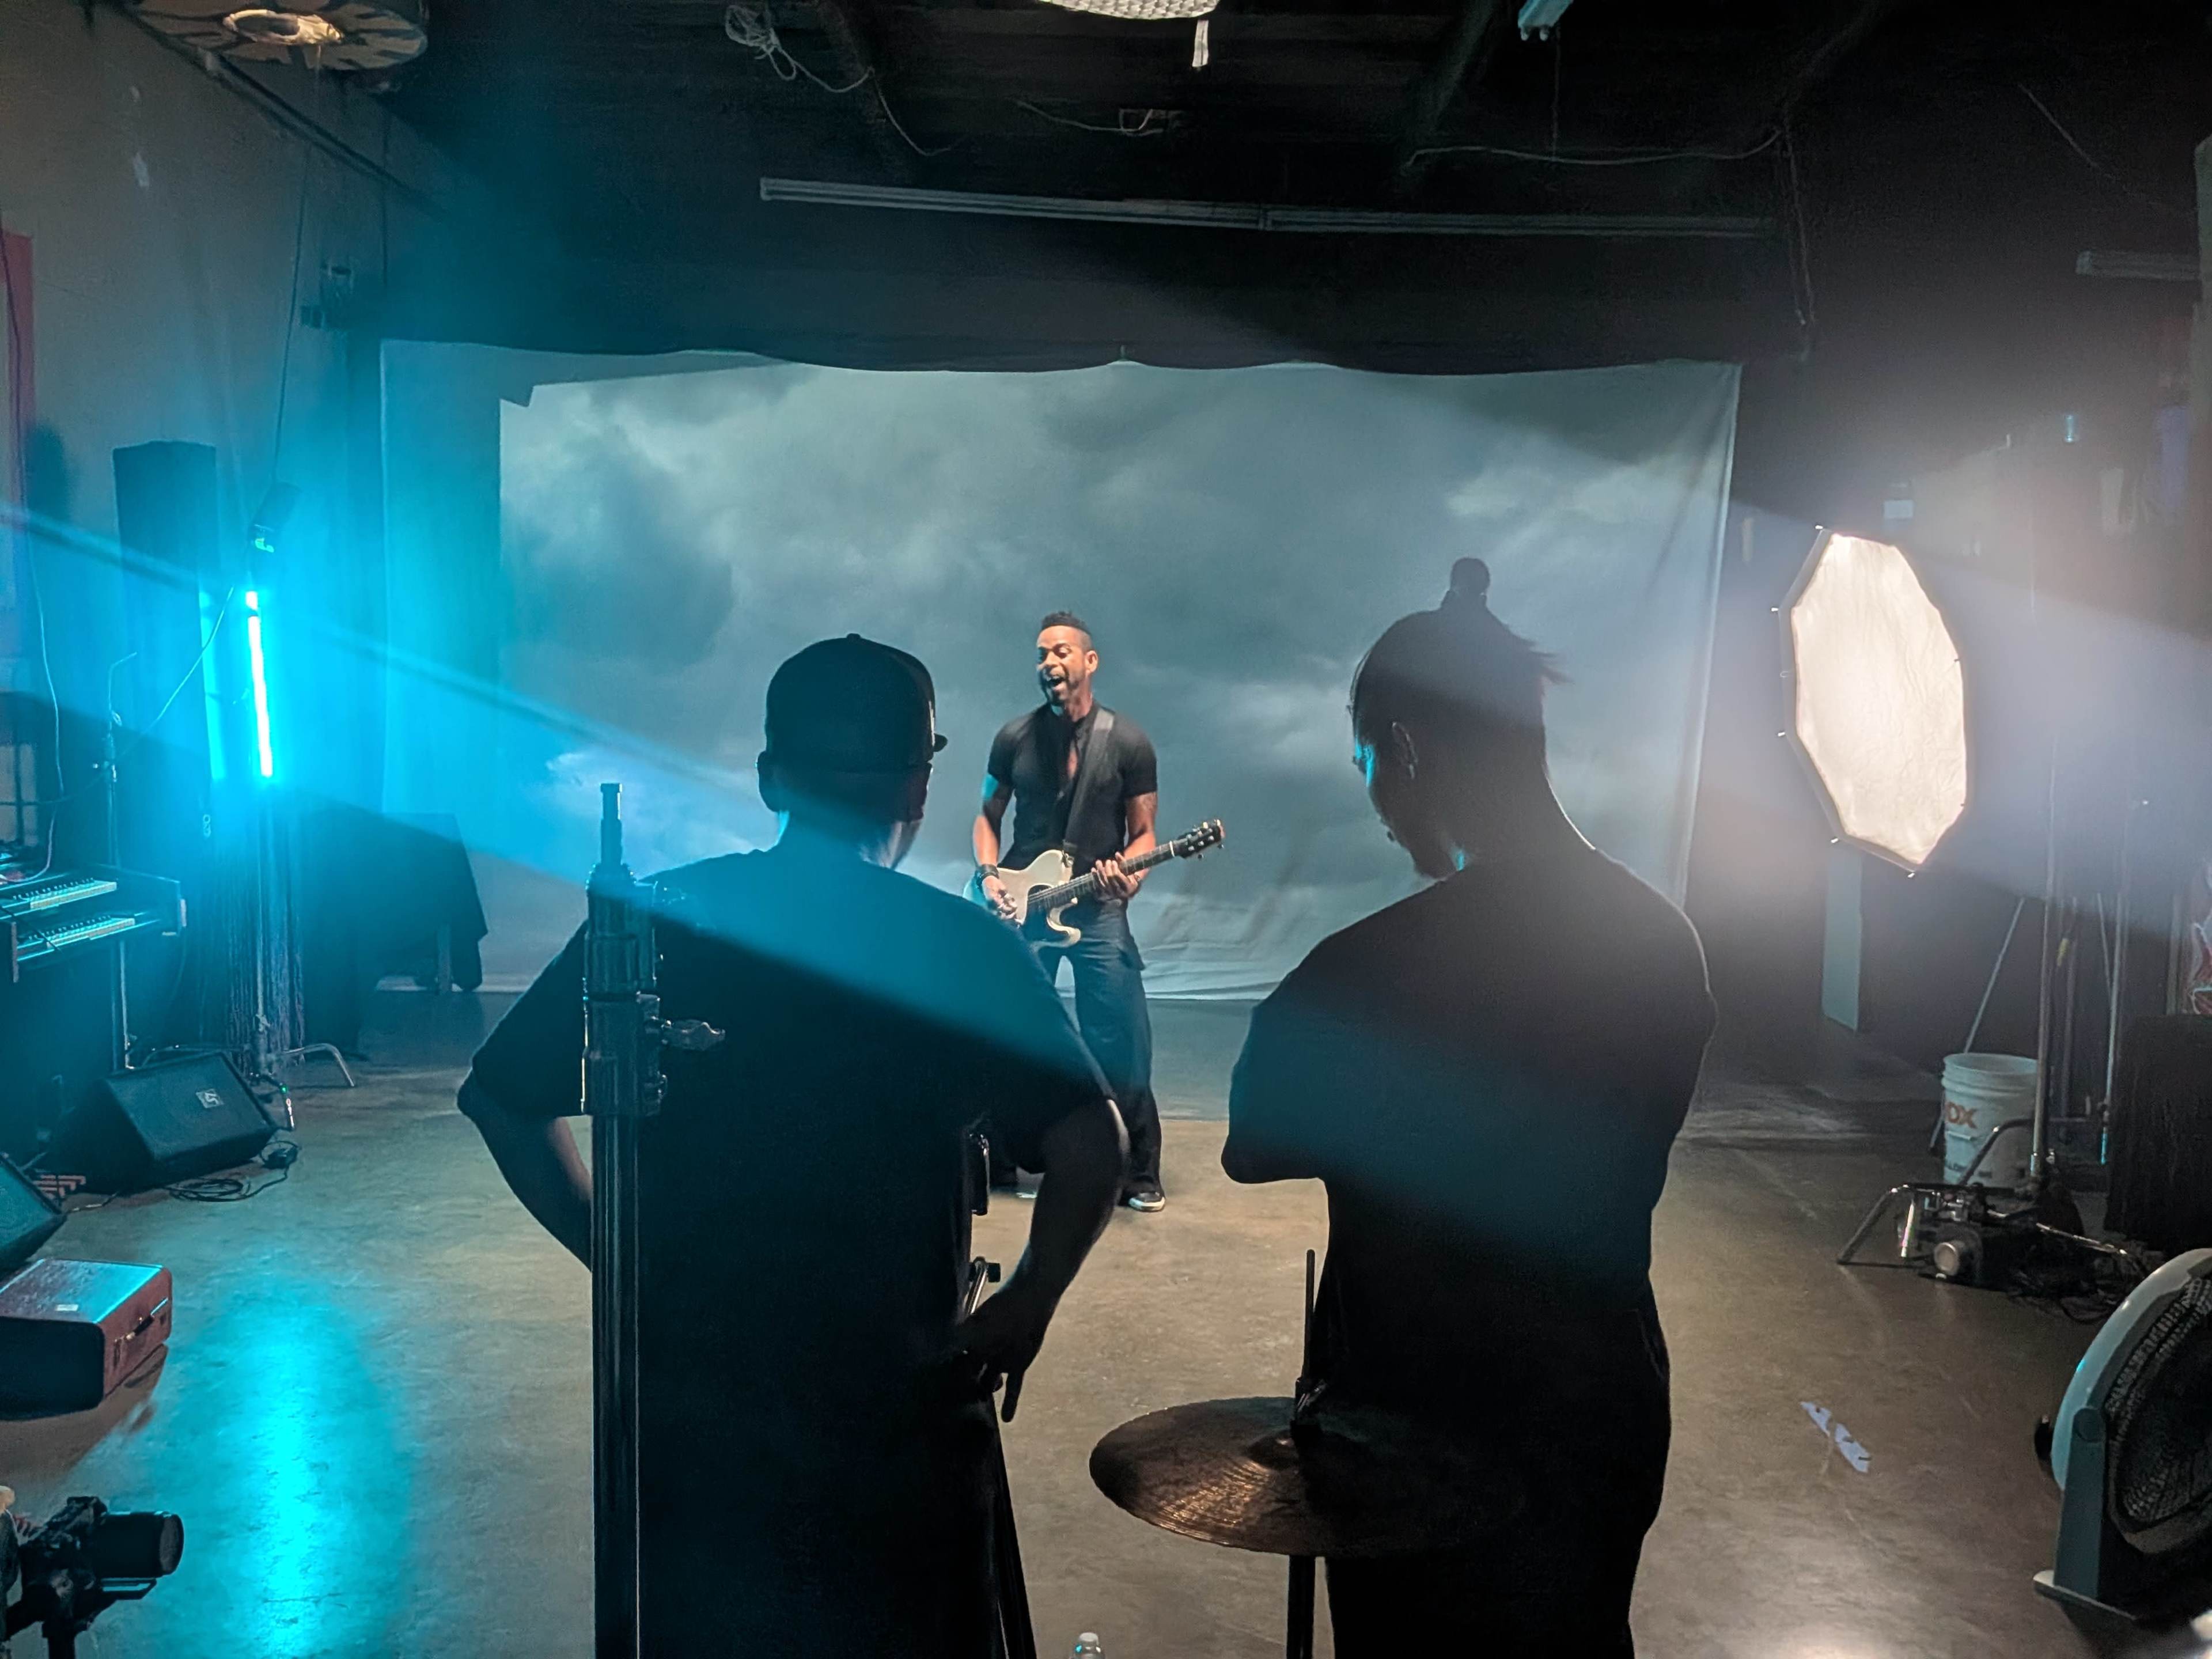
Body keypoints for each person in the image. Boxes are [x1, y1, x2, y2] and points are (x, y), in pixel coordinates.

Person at [459, 635, 1127, 1657]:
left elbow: (502, 1097)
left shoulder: (660, 919)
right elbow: (1093, 1137)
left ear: (772, 779)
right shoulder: (956, 949)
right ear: (918, 783)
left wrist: (613, 1249)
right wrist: (1027, 1304)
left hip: (695, 1427)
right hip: (897, 1423)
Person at [1221, 558, 1714, 1657]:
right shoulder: (1663, 942)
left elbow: (1252, 1144)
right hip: (1600, 1410)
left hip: (1415, 1429)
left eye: (1367, 764)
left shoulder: (1365, 971)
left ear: (1408, 748)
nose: (1378, 803)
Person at [974, 611, 1167, 1212]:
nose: (1049, 664)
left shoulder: (1129, 742)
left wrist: (1127, 878)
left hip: (1094, 908)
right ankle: (1000, 1161)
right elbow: (987, 818)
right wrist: (988, 878)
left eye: (1060, 653)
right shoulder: (1014, 739)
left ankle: (1137, 1173)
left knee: (1120, 1037)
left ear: (1090, 661)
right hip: (1021, 903)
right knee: (1010, 1031)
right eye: (1041, 655)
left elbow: (1144, 835)